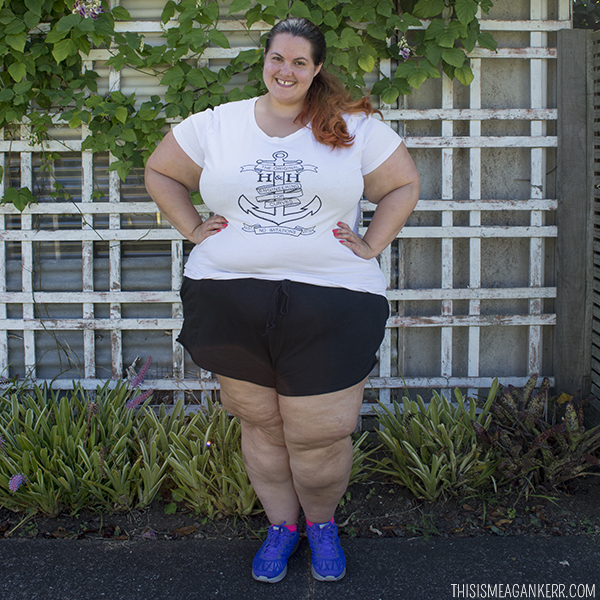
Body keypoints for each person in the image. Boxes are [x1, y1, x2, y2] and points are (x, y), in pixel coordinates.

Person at [145, 17, 419, 583]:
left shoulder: (355, 126)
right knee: (262, 427)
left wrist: (371, 243)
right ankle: (281, 526)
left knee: (319, 434)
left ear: (316, 68)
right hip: (227, 295)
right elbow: (161, 172)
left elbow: (401, 185)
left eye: (299, 62)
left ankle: (321, 524)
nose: (286, 71)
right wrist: (194, 228)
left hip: (334, 301)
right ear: (263, 63)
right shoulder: (218, 125)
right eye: (277, 59)